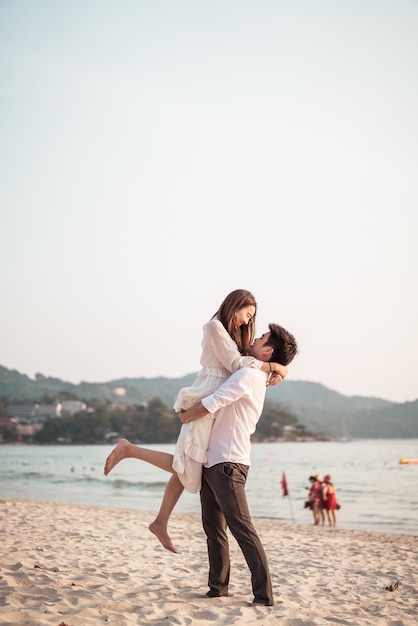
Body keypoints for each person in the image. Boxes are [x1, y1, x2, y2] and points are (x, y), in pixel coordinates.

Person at [104, 290, 288, 553]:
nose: (248, 322)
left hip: (215, 401)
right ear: (234, 306)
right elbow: (238, 364)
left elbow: (248, 361)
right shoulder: (214, 326)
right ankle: (129, 450)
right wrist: (275, 367)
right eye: (247, 315)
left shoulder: (232, 335)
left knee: (191, 463)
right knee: (187, 464)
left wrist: (278, 365)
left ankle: (160, 521)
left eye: (251, 319)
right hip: (206, 396)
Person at [178, 323, 298, 606]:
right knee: (214, 529)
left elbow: (214, 401)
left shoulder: (248, 375)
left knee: (242, 528)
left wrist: (185, 417)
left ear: (267, 351)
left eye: (262, 337)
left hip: (228, 462)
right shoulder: (251, 371)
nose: (255, 337)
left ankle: (264, 595)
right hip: (215, 460)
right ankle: (218, 587)